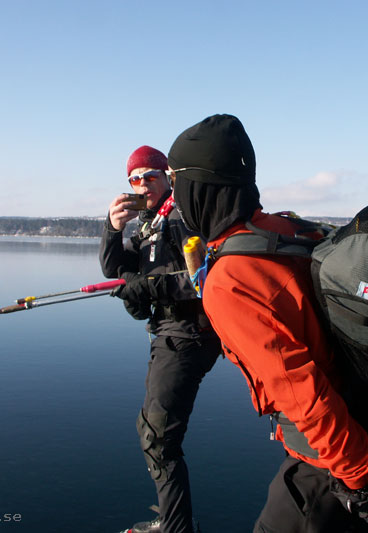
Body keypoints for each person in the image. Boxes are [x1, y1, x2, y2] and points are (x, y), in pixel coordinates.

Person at [168, 114, 368, 532]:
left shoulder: (231, 279)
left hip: (330, 470)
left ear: (200, 188)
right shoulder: (292, 231)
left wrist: (362, 482)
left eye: (176, 180)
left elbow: (302, 392)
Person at [100, 145, 221, 533]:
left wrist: (149, 289)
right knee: (151, 430)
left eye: (148, 176)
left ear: (167, 176)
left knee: (158, 437)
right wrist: (112, 230)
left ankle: (176, 528)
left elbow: (208, 277)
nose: (140, 185)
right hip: (168, 333)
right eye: (133, 179)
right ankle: (174, 519)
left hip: (190, 333)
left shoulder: (184, 215)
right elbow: (116, 272)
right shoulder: (147, 223)